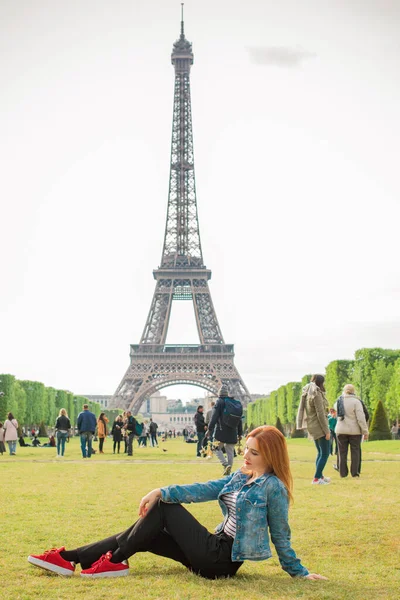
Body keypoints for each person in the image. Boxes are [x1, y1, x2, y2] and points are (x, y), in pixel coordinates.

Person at [27, 425, 327, 581]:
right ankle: (70, 558)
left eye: (254, 453)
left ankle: (113, 562)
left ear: (271, 456)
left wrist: (299, 572)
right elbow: (206, 488)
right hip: (212, 545)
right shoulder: (240, 475)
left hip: (221, 560)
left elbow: (281, 535)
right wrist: (163, 488)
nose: (246, 456)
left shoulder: (273, 488)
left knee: (165, 508)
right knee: (145, 530)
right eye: (245, 449)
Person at [296, 375, 330, 485]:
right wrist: (327, 431)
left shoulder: (307, 392)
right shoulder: (316, 393)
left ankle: (320, 476)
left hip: (311, 425)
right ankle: (316, 478)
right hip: (319, 426)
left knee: (320, 452)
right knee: (325, 453)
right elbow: (320, 413)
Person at [206, 385, 243, 476]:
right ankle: (229, 471)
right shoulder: (234, 403)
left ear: (219, 394)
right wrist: (239, 433)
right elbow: (239, 419)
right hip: (233, 431)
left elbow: (214, 417)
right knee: (230, 452)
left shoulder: (219, 402)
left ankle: (225, 464)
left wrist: (209, 429)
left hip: (221, 431)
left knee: (215, 448)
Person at [334, 384, 368, 478]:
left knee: (342, 452)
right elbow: (361, 418)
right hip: (354, 431)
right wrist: (365, 431)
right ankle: (355, 473)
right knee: (355, 452)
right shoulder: (356, 402)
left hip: (340, 430)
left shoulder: (338, 401)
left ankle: (343, 473)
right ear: (353, 391)